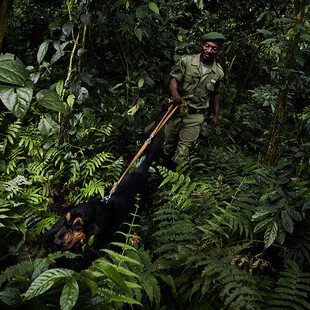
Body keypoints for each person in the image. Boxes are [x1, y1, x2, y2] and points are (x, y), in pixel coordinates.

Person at [162, 31, 226, 170]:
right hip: (176, 110)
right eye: (207, 46)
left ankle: (172, 179)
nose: (209, 50)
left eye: (214, 48)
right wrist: (175, 94)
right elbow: (174, 79)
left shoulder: (218, 72)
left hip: (196, 115)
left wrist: (215, 115)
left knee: (184, 150)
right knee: (167, 143)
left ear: (218, 51)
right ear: (201, 45)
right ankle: (160, 171)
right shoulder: (187, 61)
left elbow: (215, 93)